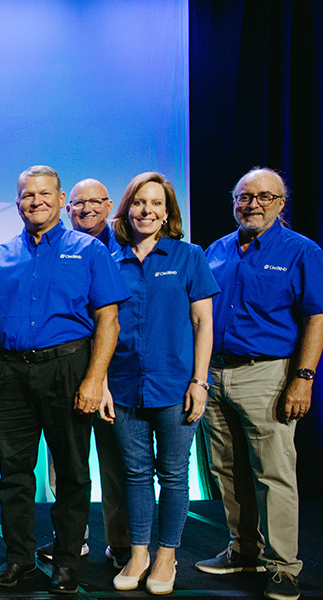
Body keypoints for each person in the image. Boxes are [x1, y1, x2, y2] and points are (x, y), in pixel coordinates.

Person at [0, 165, 129, 594]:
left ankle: (68, 563)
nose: (35, 201)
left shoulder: (89, 251)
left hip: (69, 368)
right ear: (16, 202)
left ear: (60, 200)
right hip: (8, 372)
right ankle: (20, 560)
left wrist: (95, 379)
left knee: (72, 472)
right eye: (26, 195)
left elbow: (107, 319)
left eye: (44, 194)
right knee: (14, 473)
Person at [198, 167, 323, 600]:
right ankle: (243, 549)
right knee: (225, 469)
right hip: (214, 373)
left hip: (268, 373)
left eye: (264, 196)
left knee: (273, 473)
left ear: (280, 203)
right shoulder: (216, 250)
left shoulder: (301, 251)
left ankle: (284, 566)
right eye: (244, 197)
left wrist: (303, 380)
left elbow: (316, 319)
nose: (252, 204)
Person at [104, 173, 219, 594]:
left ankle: (167, 556)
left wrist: (200, 381)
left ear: (168, 212)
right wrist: (99, 382)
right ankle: (139, 553)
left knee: (173, 475)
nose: (146, 211)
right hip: (123, 386)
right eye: (138, 203)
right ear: (127, 209)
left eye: (155, 203)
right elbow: (104, 326)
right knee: (134, 475)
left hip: (176, 386)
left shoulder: (189, 256)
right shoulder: (111, 261)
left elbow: (203, 322)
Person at [39, 178, 132, 567]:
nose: (87, 209)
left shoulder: (130, 250)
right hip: (63, 371)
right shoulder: (48, 249)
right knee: (64, 464)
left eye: (95, 202)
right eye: (79, 203)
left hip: (118, 375)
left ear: (110, 205)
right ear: (66, 207)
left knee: (116, 464)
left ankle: (123, 543)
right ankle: (70, 540)